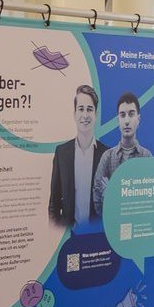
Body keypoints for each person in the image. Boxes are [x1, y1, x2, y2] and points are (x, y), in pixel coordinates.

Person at [47, 85, 109, 230]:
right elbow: (54, 203)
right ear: (74, 114)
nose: (85, 115)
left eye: (89, 109)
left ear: (95, 114)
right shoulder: (61, 153)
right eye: (81, 109)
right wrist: (57, 231)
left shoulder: (107, 154)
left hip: (97, 233)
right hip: (70, 234)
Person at [91, 92, 153, 219]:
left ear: (138, 119)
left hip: (138, 225)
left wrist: (110, 192)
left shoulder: (146, 157)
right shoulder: (107, 157)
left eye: (131, 114)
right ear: (118, 120)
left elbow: (150, 198)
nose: (127, 121)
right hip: (112, 223)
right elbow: (97, 197)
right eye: (122, 115)